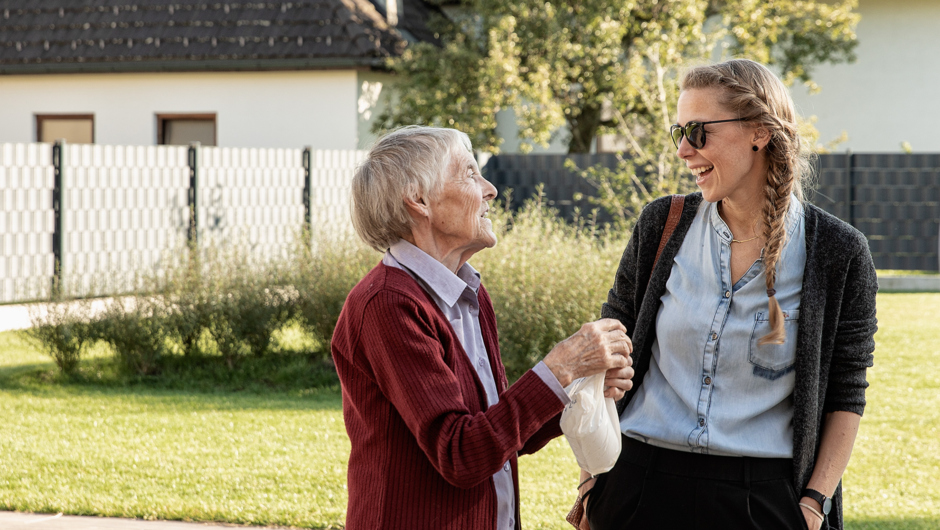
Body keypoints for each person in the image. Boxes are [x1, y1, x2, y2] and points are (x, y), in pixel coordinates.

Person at [574, 59, 877, 530]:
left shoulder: (838, 252)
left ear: (758, 131)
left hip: (762, 501)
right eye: (678, 133)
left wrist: (814, 503)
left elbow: (846, 389)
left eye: (698, 131)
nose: (683, 151)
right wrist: (592, 480)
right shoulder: (662, 225)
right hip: (637, 485)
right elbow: (609, 353)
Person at [331, 125, 635, 529]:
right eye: (470, 174)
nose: (490, 189)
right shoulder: (388, 303)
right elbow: (460, 453)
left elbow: (496, 433)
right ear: (419, 200)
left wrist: (577, 387)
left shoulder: (468, 292)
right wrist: (560, 369)